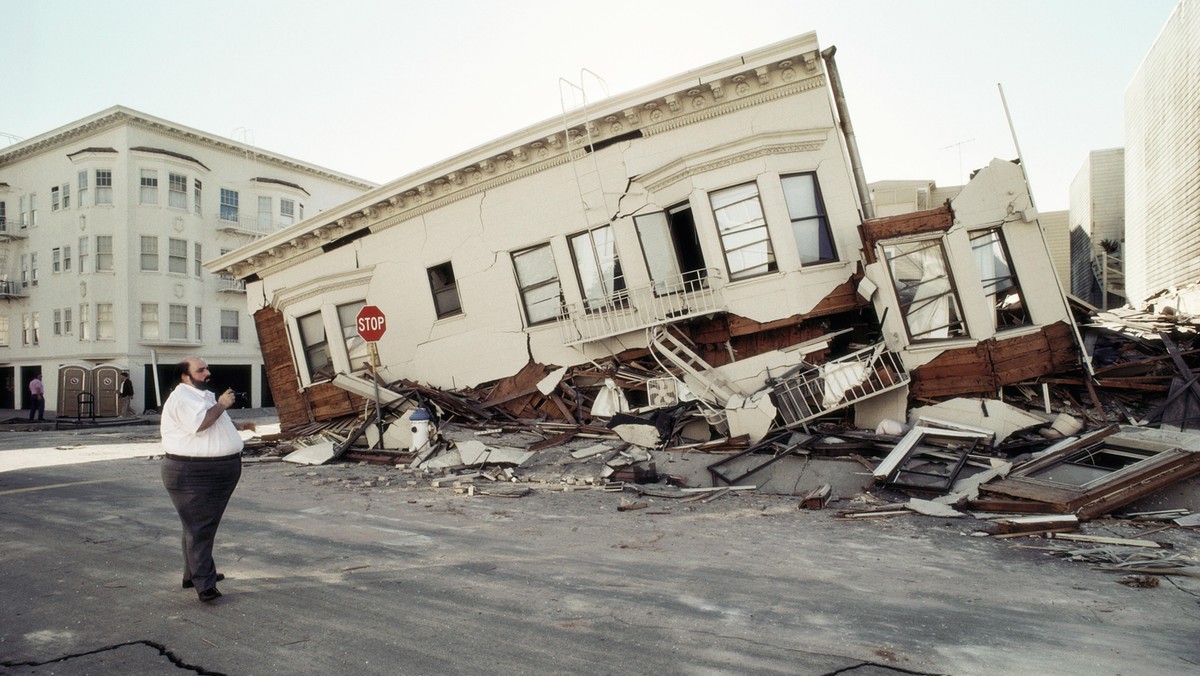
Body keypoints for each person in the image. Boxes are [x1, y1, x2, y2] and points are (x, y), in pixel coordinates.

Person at [159, 357, 243, 602]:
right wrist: (223, 404)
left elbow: (212, 421)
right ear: (186, 376)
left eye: (207, 367)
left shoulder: (200, 395)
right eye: (201, 369)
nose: (208, 372)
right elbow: (202, 423)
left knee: (197, 527)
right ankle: (204, 585)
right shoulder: (183, 397)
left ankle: (193, 573)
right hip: (194, 472)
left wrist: (237, 425)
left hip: (211, 470)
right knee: (200, 528)